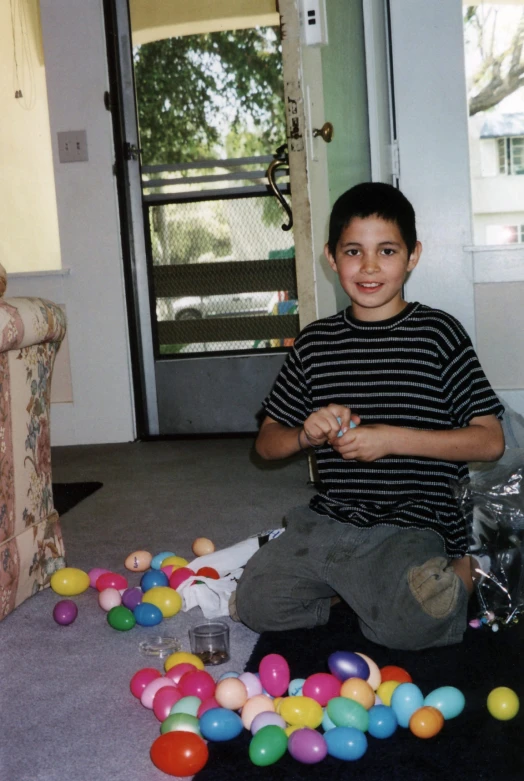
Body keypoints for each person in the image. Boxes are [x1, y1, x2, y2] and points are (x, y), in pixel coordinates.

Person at [234, 182, 505, 651]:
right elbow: (267, 443)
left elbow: (489, 440)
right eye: (354, 251)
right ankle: (352, 591)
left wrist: (392, 439)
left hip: (415, 523)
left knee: (410, 624)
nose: (370, 266)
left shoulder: (438, 334)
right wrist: (304, 434)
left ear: (413, 255)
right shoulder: (316, 344)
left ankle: (466, 568)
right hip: (332, 519)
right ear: (331, 258)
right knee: (255, 603)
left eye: (387, 250)